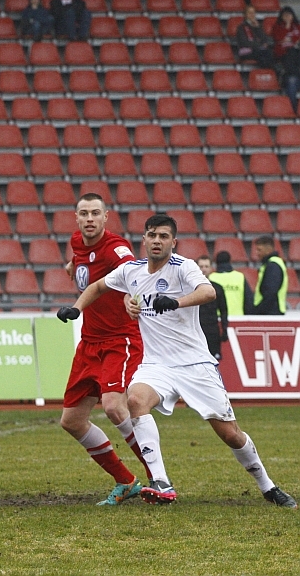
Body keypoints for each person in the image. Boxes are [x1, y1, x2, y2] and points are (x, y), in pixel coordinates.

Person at [58, 213, 297, 508]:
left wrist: (176, 301)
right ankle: (162, 482)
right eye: (152, 235)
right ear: (144, 240)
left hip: (195, 365)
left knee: (231, 435)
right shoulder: (131, 270)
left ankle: (267, 485)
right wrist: (77, 308)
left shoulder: (183, 267)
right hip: (156, 365)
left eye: (163, 236)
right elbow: (97, 286)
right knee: (135, 400)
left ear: (174, 242)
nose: (157, 241)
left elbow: (208, 291)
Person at [60, 194, 151, 506]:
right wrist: (72, 265)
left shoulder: (116, 248)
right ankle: (126, 481)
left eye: (95, 213)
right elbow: (79, 262)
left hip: (119, 340)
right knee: (71, 421)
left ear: (106, 217)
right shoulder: (77, 241)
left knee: (113, 406)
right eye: (84, 213)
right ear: (76, 217)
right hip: (89, 343)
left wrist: (129, 298)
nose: (89, 219)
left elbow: (133, 275)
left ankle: (158, 478)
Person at [195, 255, 229, 360]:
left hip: (212, 331)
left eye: (206, 266)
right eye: (201, 266)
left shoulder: (217, 288)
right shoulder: (189, 288)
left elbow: (223, 310)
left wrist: (224, 329)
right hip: (195, 331)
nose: (203, 269)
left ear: (211, 268)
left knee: (213, 361)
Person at [207, 250, 254, 316]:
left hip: (219, 317)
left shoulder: (211, 278)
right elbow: (249, 300)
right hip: (238, 317)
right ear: (230, 261)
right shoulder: (240, 276)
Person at [271, 7, 300, 111]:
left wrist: (290, 39)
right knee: (291, 82)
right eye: (285, 15)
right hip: (284, 56)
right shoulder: (277, 26)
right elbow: (279, 38)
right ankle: (293, 110)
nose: (288, 17)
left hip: (297, 53)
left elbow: (296, 39)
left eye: (289, 15)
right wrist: (287, 26)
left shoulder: (297, 26)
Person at [252, 235, 288, 315]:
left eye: (259, 250)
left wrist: (257, 311)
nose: (257, 253)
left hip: (271, 312)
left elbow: (270, 293)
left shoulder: (273, 265)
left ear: (268, 250)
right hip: (272, 311)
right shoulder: (273, 263)